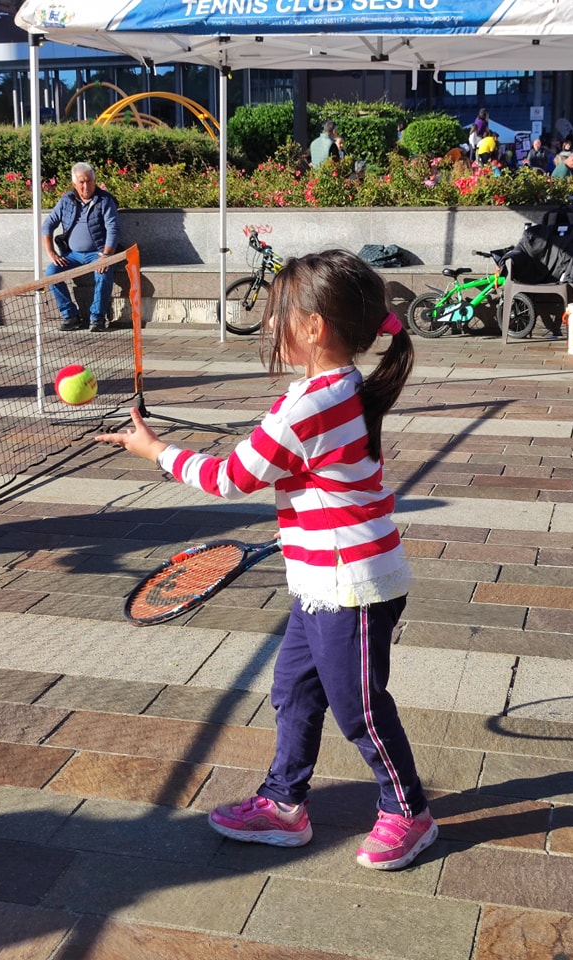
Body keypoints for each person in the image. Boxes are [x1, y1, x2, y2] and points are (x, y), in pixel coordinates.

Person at [95, 250, 438, 872]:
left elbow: (233, 476)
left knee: (359, 707)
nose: (268, 323)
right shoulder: (334, 389)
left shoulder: (310, 405)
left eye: (278, 312)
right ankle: (284, 803)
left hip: (351, 585)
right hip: (322, 579)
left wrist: (153, 450)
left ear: (313, 328)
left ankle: (408, 811)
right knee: (294, 690)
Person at [42, 162, 120, 332]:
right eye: (82, 182)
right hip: (72, 254)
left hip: (99, 253)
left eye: (89, 181)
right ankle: (70, 316)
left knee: (104, 272)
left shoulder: (105, 200)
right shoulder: (66, 201)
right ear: (74, 184)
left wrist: (106, 256)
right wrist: (51, 253)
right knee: (50, 273)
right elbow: (47, 226)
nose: (86, 186)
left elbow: (113, 229)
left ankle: (97, 318)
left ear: (95, 180)